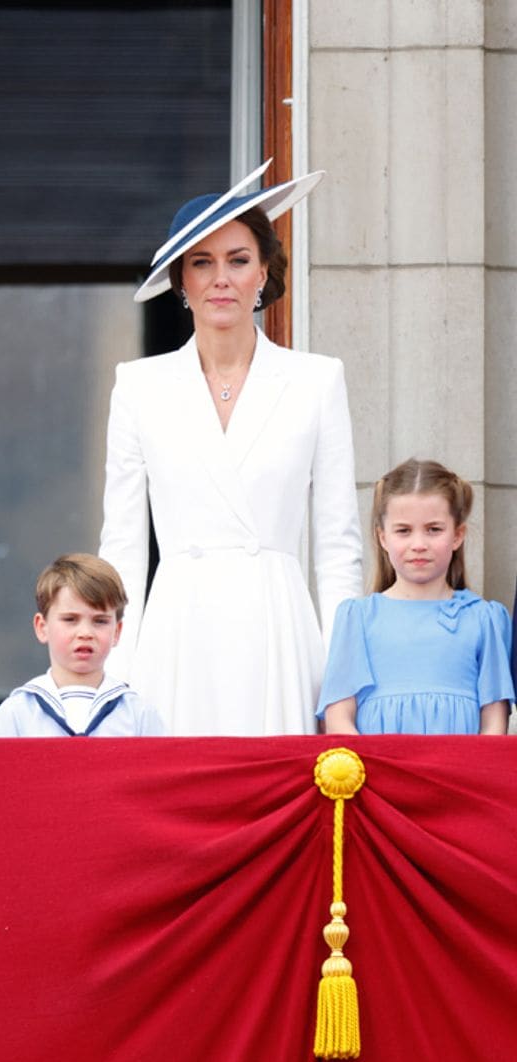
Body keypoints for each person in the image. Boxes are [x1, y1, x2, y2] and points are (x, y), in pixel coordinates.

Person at [99, 161, 363, 736]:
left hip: (278, 626)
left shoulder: (317, 380)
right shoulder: (137, 385)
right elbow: (122, 547)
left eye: (238, 260)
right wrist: (115, 675)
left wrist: (341, 681)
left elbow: (339, 548)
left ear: (264, 272)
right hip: (178, 630)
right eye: (202, 262)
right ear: (181, 282)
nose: (221, 278)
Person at [318, 459, 513, 735]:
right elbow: (339, 718)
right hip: (378, 773)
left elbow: (494, 724)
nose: (419, 545)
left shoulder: (484, 618)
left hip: (455, 775)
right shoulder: (357, 617)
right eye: (403, 531)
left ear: (458, 535)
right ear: (383, 537)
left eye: (434, 529)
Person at [0, 553, 162, 737]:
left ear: (116, 632)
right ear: (42, 627)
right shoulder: (16, 713)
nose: (85, 633)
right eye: (70, 619)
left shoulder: (139, 714)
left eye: (100, 621)